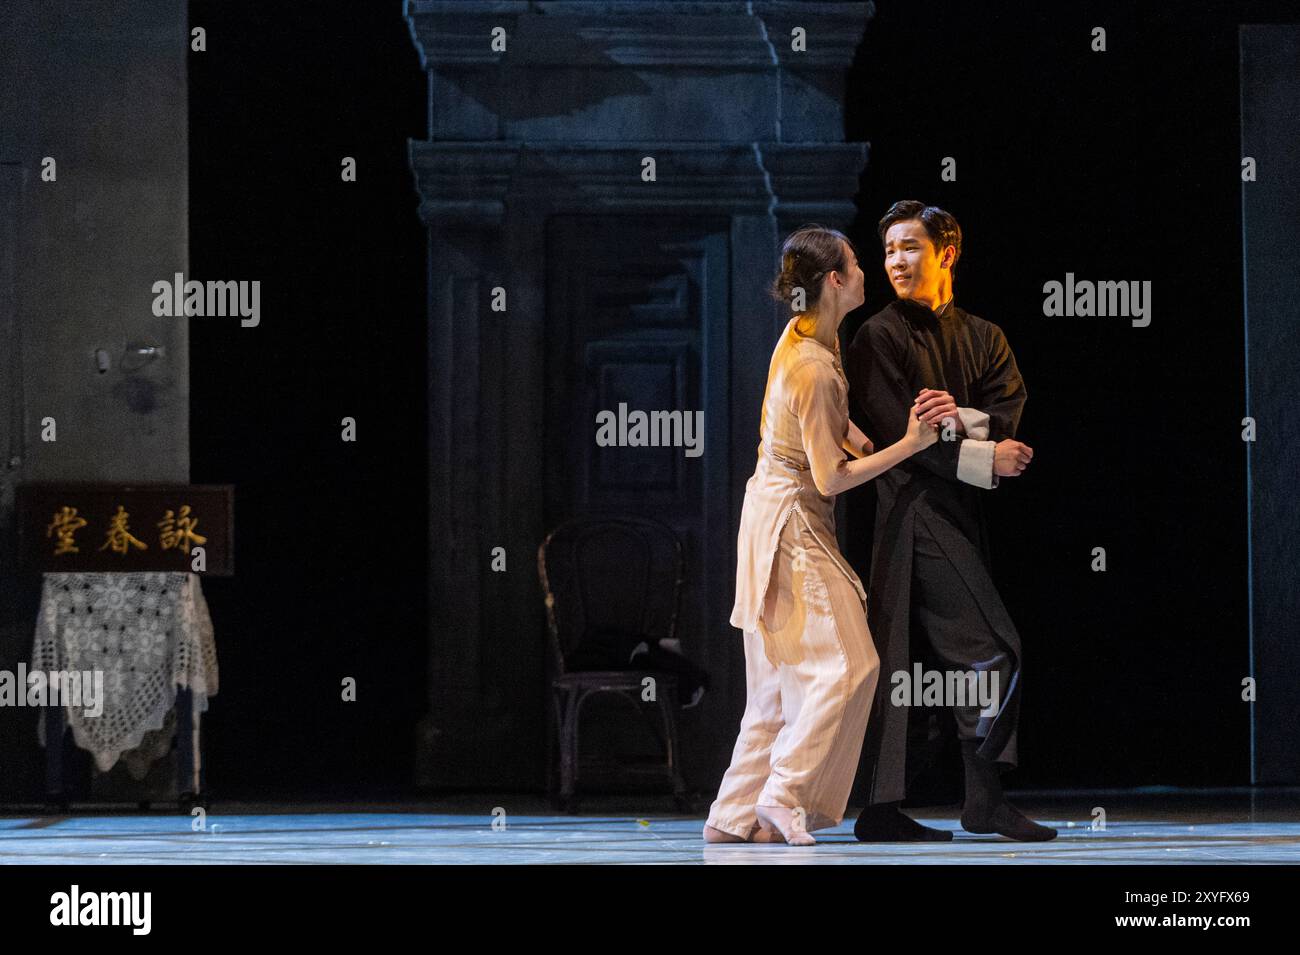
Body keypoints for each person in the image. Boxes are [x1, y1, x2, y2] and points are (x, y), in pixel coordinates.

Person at [703, 224, 940, 846]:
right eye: (858, 263)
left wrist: (887, 442)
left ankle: (733, 815)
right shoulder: (813, 363)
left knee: (778, 684)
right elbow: (831, 478)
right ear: (835, 280)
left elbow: (828, 430)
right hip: (792, 526)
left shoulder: (810, 336)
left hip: (768, 515)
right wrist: (911, 445)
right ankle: (783, 794)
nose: (868, 270)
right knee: (849, 664)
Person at [845, 200, 1056, 842]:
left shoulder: (984, 336)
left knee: (921, 660)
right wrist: (976, 445)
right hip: (908, 508)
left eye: (910, 247)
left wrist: (962, 423)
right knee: (989, 647)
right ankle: (971, 800)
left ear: (947, 253)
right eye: (888, 251)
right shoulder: (877, 335)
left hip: (956, 512)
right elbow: (892, 432)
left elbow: (1008, 420)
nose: (897, 262)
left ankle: (903, 809)